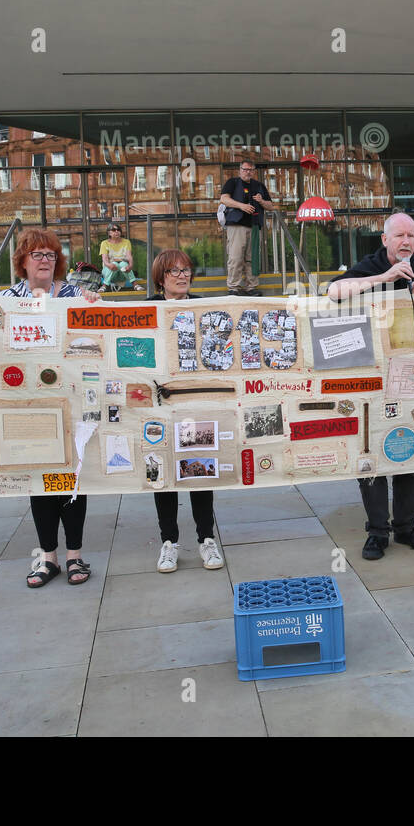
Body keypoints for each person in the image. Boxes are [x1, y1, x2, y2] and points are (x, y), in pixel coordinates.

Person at [0, 229, 101, 586]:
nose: (44, 260)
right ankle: (48, 557)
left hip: (71, 399)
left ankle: (75, 555)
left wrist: (95, 304)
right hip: (27, 404)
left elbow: (97, 330)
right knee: (40, 479)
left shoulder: (75, 294)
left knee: (71, 479)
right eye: (37, 255)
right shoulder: (8, 297)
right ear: (23, 262)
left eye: (50, 255)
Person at [327, 213, 414, 559]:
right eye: (400, 236)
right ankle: (377, 531)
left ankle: (405, 526)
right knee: (371, 454)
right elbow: (333, 291)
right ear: (385, 239)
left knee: (410, 451)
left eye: (413, 236)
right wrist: (384, 277)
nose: (407, 242)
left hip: (408, 377)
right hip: (369, 378)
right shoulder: (372, 264)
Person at [148, 248, 224, 573]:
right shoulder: (147, 310)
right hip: (159, 407)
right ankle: (169, 542)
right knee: (163, 474)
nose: (182, 275)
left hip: (194, 403)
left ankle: (206, 539)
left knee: (199, 471)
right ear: (161, 278)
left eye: (186, 269)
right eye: (174, 271)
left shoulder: (203, 309)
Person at [219, 160, 276, 296]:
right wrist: (241, 206)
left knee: (253, 258)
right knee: (236, 257)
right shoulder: (232, 182)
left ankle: (252, 287)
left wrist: (261, 201)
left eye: (250, 170)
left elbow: (270, 206)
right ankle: (234, 287)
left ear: (254, 171)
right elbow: (224, 199)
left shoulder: (259, 186)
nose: (247, 172)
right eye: (245, 169)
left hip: (255, 226)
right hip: (237, 225)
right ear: (240, 170)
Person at [98, 222, 143, 291]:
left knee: (124, 264)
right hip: (109, 271)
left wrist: (130, 266)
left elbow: (129, 256)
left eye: (118, 230)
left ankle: (135, 285)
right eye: (113, 230)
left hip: (123, 272)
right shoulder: (104, 243)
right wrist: (110, 265)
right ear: (109, 233)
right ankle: (104, 286)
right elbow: (105, 260)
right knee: (114, 264)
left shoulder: (126, 242)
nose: (116, 231)